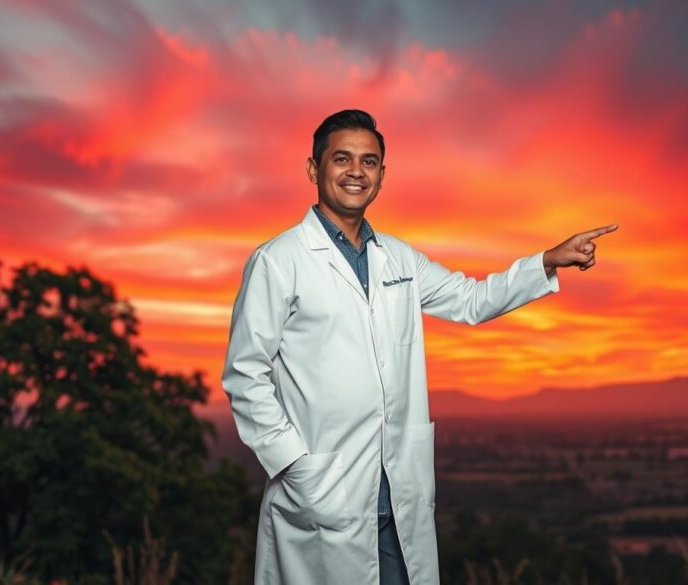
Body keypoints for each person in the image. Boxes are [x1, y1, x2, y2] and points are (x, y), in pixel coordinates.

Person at [221, 109, 618, 584]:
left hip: (397, 497)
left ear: (382, 175)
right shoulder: (278, 261)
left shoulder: (399, 258)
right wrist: (295, 465)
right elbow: (245, 375)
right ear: (313, 168)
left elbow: (471, 300)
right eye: (342, 158)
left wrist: (548, 261)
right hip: (322, 493)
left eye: (369, 162)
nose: (356, 171)